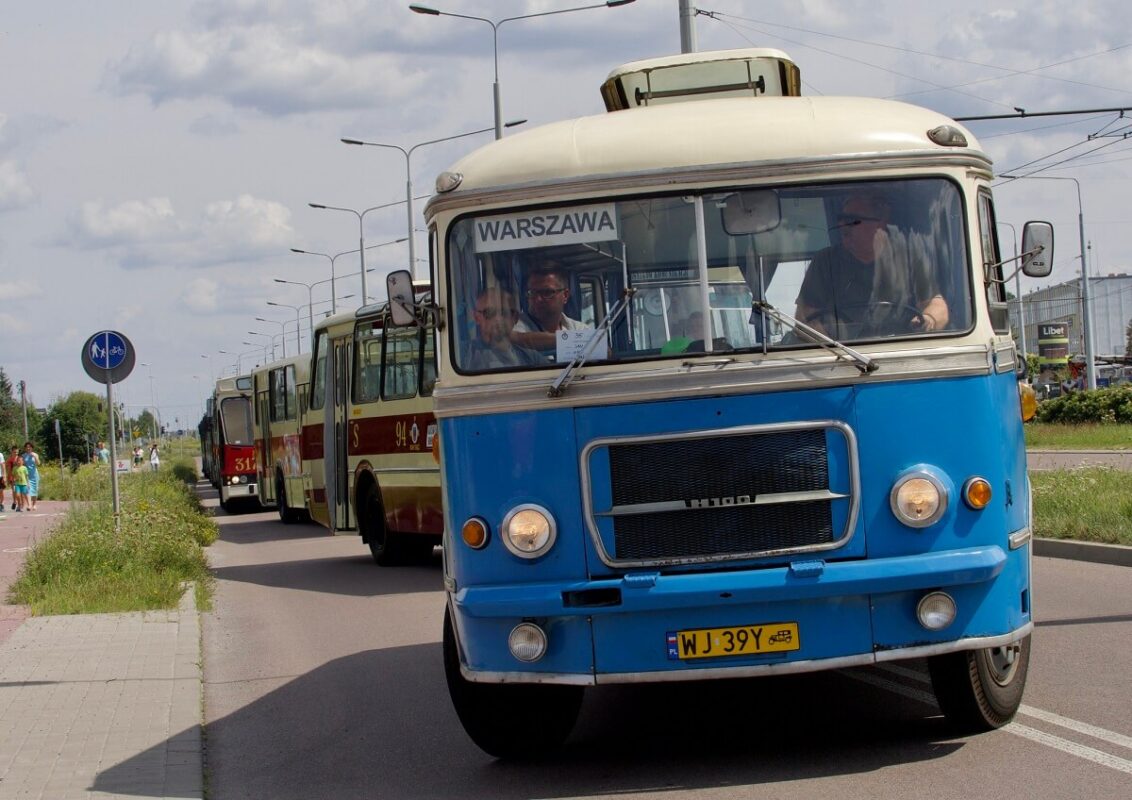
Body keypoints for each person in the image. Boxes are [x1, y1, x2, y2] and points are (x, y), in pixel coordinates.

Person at [794, 192, 949, 339]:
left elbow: (937, 305)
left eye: (851, 219)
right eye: (841, 218)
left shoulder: (910, 257)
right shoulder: (824, 262)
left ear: (879, 223)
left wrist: (928, 320)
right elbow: (804, 318)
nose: (842, 225)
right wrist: (831, 348)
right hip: (842, 359)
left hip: (903, 353)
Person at [511, 264, 590, 353]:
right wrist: (574, 341)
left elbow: (605, 351)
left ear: (565, 295)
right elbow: (516, 338)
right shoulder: (515, 326)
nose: (538, 299)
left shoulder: (579, 328)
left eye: (547, 292)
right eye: (532, 292)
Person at [464, 287, 545, 370]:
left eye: (505, 312)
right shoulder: (463, 355)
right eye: (489, 312)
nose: (498, 319)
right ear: (476, 317)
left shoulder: (533, 358)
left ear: (515, 318)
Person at [22, 442, 40, 511]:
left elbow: (38, 463)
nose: (28, 448)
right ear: (25, 448)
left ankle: (34, 504)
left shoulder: (35, 454)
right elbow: (22, 464)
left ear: (32, 448)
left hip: (34, 475)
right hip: (27, 475)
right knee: (27, 490)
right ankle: (29, 505)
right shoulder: (23, 455)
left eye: (29, 447)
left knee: (35, 490)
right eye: (27, 447)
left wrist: (34, 457)